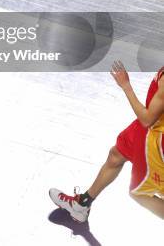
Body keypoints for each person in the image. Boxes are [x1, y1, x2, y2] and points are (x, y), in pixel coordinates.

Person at [49, 61, 164, 221]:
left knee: (139, 193)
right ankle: (81, 205)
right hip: (147, 128)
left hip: (154, 138)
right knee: (115, 155)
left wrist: (126, 86)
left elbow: (147, 119)